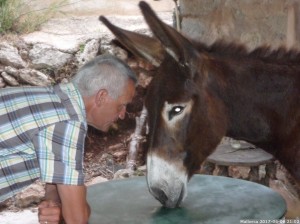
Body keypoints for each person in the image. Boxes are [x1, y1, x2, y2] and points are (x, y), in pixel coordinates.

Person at [0, 54, 137, 223]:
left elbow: (55, 181)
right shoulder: (67, 123)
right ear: (101, 97)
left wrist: (55, 202)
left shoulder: (54, 102)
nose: (123, 115)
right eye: (122, 105)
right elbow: (77, 219)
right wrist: (80, 196)